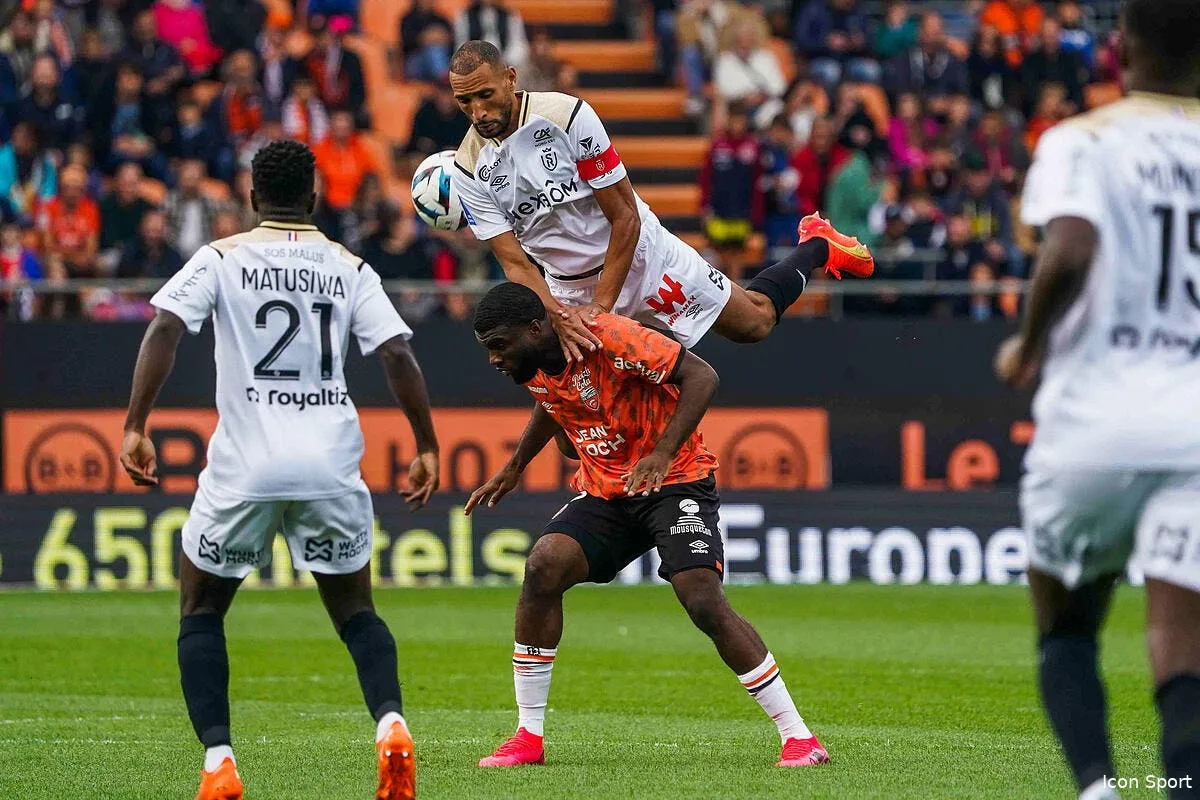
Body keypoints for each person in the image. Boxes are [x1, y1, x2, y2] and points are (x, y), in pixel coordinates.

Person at [117, 140, 440, 800]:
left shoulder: (221, 257)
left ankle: (219, 765)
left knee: (202, 610)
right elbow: (398, 353)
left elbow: (163, 329)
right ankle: (392, 727)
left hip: (247, 467)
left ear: (252, 199)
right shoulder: (349, 267)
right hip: (329, 464)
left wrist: (134, 425)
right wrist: (426, 443)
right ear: (315, 200)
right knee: (356, 613)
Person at [465, 282, 829, 769]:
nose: (493, 359)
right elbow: (551, 401)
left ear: (536, 328)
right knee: (543, 567)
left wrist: (661, 453)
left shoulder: (609, 336)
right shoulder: (531, 362)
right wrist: (515, 466)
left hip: (675, 479)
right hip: (608, 490)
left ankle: (799, 737)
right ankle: (528, 736)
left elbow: (702, 376)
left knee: (701, 599)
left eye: (498, 345)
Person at [995, 1, 1200, 797]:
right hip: (1192, 434)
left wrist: (1030, 340)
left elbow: (1071, 245)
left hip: (1093, 425)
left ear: (1122, 47)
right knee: (1181, 645)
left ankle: (1097, 787)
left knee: (1067, 627)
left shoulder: (1082, 139)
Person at [447, 40, 873, 364]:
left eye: (486, 94)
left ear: (510, 78)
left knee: (754, 323)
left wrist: (601, 309)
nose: (479, 111)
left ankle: (818, 243)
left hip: (640, 257)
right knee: (570, 430)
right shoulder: (466, 168)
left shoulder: (567, 116)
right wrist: (560, 314)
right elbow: (517, 264)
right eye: (466, 101)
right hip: (565, 289)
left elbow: (625, 217)